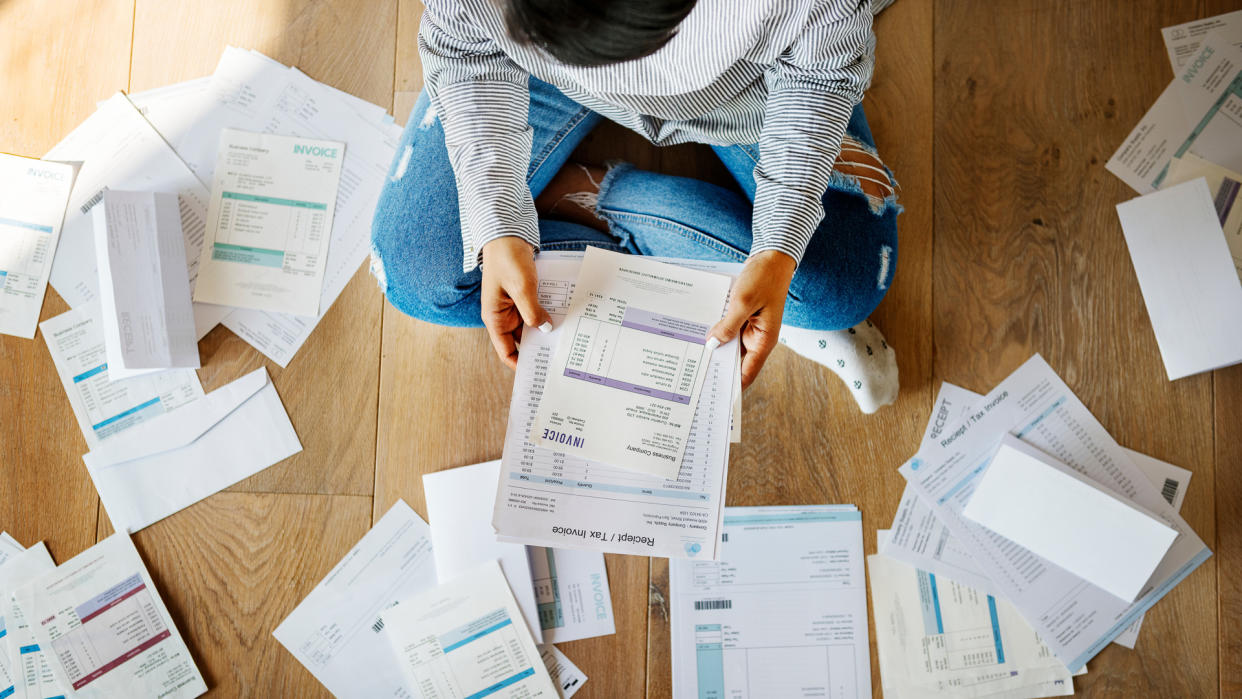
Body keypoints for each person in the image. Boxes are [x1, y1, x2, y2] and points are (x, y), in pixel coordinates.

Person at [370, 0, 902, 412]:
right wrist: (497, 221)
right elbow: (463, 46)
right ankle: (607, 212)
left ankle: (587, 198)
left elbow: (819, 76)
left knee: (845, 284)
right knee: (418, 273)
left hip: (746, 90)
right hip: (538, 72)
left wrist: (779, 247)